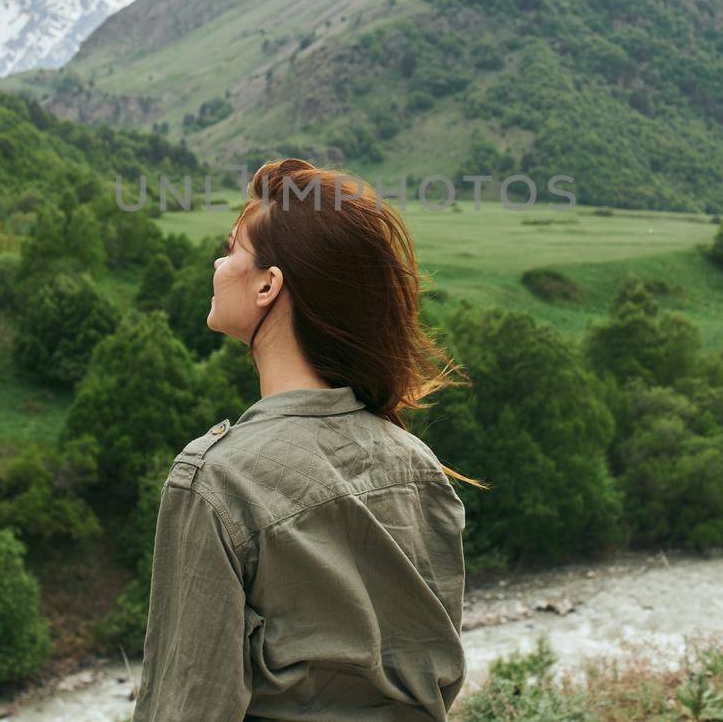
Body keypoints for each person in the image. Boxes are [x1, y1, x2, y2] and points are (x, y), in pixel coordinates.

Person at [131, 158, 486, 721]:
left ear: (269, 284)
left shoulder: (217, 477)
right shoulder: (418, 466)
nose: (218, 264)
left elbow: (187, 706)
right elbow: (435, 673)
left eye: (231, 249)